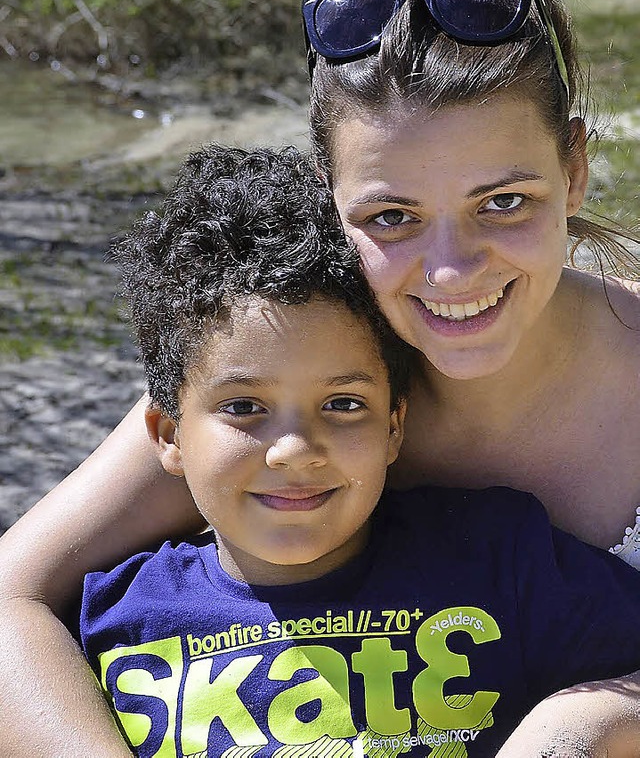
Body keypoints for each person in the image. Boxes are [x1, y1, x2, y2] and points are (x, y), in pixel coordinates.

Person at [0, 0, 639, 756]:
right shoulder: (290, 370)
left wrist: (594, 718)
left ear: (573, 169)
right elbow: (9, 601)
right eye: (392, 215)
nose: (452, 270)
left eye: (505, 201)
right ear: (325, 197)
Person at [79, 143, 640, 758]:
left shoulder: (507, 564)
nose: (294, 450)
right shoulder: (111, 621)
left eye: (344, 404)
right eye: (243, 408)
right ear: (166, 435)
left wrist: (584, 725)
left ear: (396, 426)